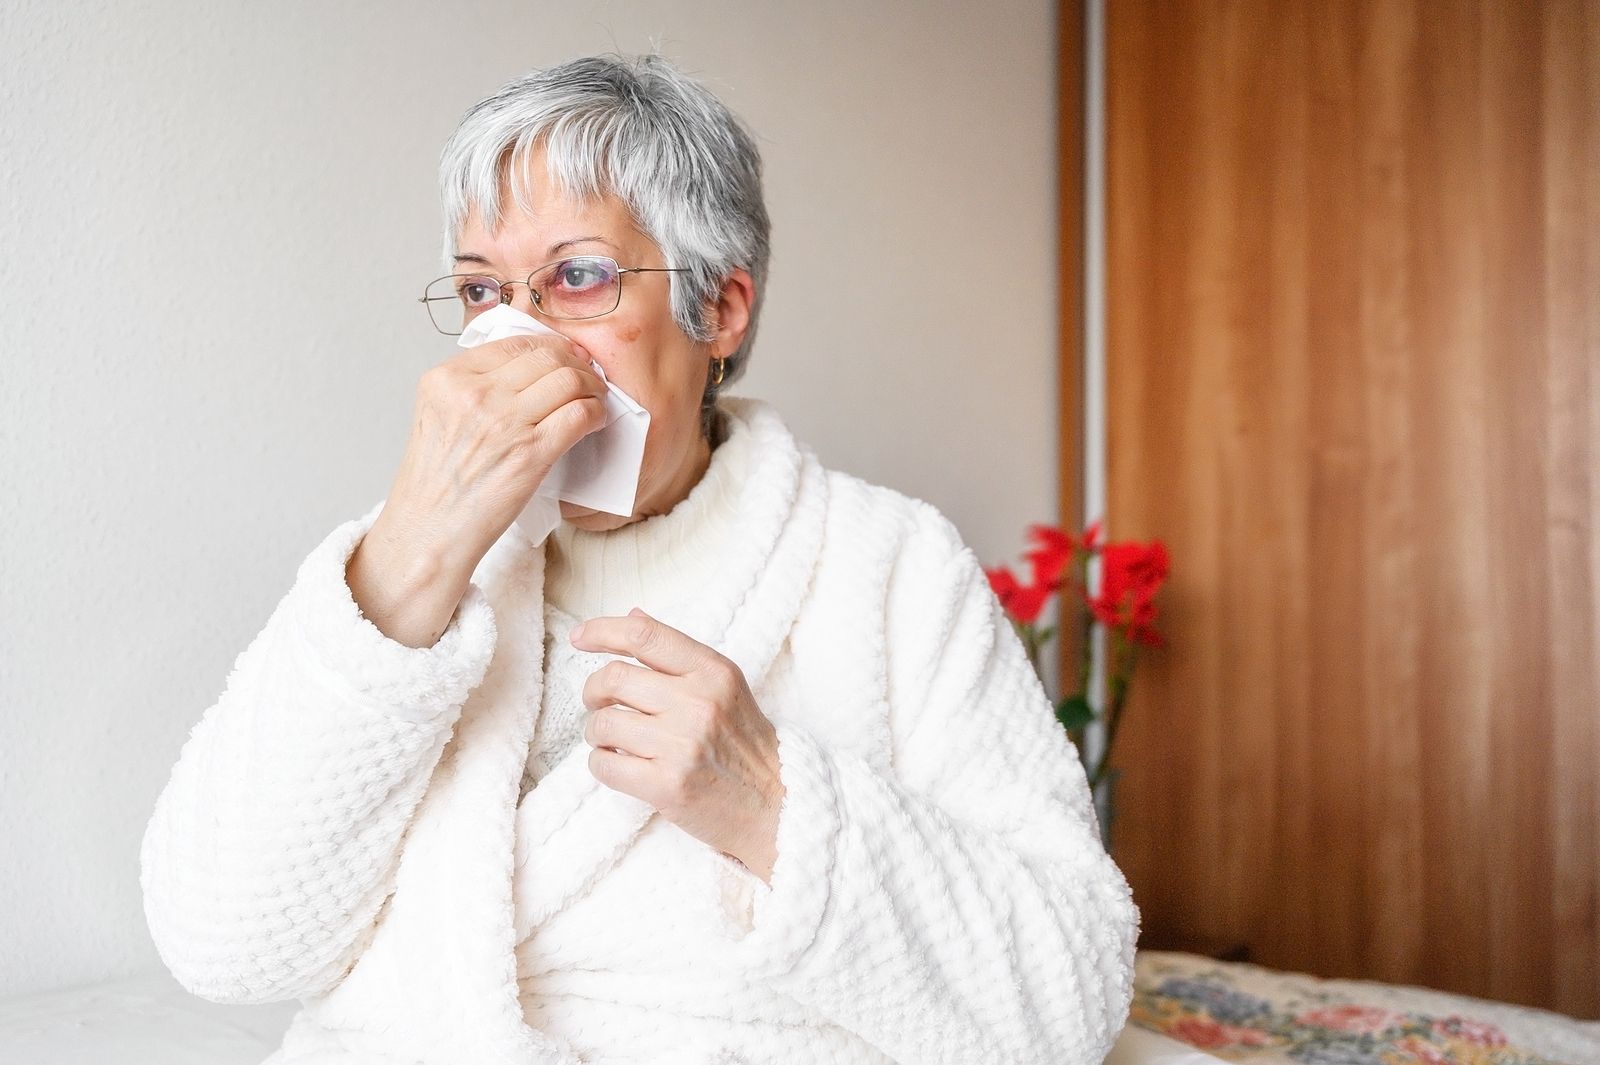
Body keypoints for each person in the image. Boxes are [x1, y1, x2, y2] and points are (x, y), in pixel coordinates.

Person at [140, 52, 1139, 1065]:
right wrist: (411, 556)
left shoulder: (890, 570)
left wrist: (774, 806)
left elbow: (1071, 993)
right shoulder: (403, 576)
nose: (520, 336)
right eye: (484, 291)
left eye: (577, 278)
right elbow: (223, 949)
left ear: (720, 308)